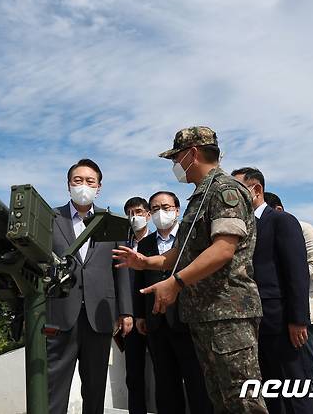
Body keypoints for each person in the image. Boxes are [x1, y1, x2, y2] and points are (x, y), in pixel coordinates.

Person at [113, 126, 267, 413]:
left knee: (243, 400)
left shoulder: (225, 190)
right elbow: (180, 253)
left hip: (228, 316)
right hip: (205, 317)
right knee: (219, 399)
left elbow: (223, 249)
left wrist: (176, 283)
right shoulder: (201, 195)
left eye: (176, 158)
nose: (175, 165)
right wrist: (145, 262)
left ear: (192, 154)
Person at [48, 158, 133, 414]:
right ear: (68, 185)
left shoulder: (113, 222)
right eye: (78, 180)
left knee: (95, 389)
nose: (83, 185)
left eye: (89, 181)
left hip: (100, 315)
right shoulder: (51, 218)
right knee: (53, 387)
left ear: (99, 187)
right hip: (59, 314)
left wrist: (126, 310)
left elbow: (121, 268)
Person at [232, 168, 313, 414]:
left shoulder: (281, 221)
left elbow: (297, 273)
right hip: (251, 324)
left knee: (294, 387)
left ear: (256, 189)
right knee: (267, 390)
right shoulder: (240, 227)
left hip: (280, 322)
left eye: (237, 189)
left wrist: (298, 320)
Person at [135, 191, 212, 414]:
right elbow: (140, 280)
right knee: (166, 385)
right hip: (157, 322)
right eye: (156, 208)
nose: (161, 212)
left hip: (188, 321)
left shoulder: (190, 237)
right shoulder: (146, 243)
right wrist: (140, 314)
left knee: (198, 383)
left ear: (177, 210)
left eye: (166, 207)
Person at [264, 192, 313, 414]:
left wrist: (288, 271)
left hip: (301, 313)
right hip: (276, 315)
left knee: (310, 375)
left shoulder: (303, 229)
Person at [122, 196, 151, 414]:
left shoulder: (160, 242)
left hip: (158, 314)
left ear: (148, 214)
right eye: (131, 213)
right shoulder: (122, 246)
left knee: (167, 373)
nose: (135, 217)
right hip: (131, 318)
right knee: (133, 375)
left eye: (139, 212)